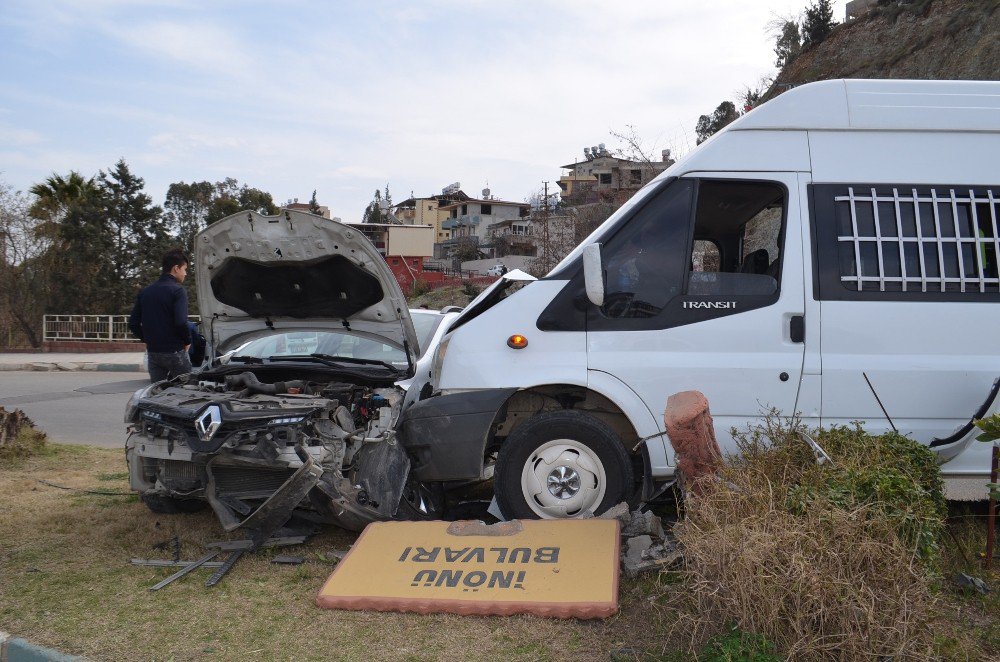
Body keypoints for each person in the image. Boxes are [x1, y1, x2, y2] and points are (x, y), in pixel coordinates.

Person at [129, 249, 193, 382]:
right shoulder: (178, 291)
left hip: (153, 353)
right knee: (185, 392)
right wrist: (187, 341)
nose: (185, 273)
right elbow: (181, 322)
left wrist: (148, 339)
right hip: (175, 352)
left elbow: (133, 324)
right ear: (176, 268)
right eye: (185, 269)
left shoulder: (146, 292)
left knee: (158, 393)